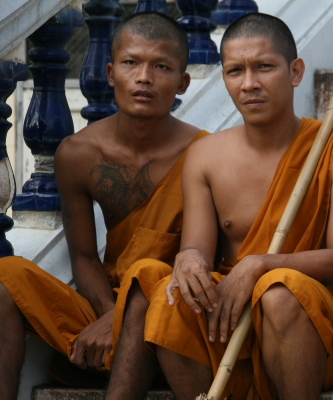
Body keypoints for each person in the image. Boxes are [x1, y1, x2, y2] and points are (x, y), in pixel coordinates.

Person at [137, 12, 333, 400]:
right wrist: (190, 260)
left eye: (264, 67)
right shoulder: (205, 156)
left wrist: (261, 265)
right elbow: (196, 245)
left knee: (280, 292)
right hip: (230, 325)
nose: (249, 84)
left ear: (295, 72)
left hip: (314, 328)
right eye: (235, 71)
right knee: (170, 298)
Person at [0, 12, 209, 400]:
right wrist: (112, 316)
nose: (144, 77)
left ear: (182, 82)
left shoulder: (208, 154)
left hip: (174, 310)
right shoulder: (77, 154)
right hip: (110, 301)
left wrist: (124, 317)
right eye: (131, 63)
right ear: (111, 73)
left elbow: (203, 262)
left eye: (161, 66)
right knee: (4, 276)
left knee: (154, 284)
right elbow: (84, 258)